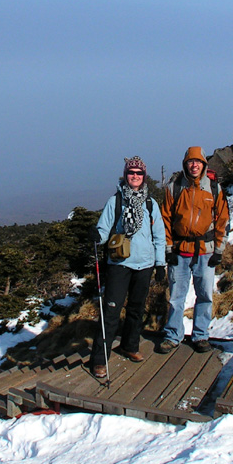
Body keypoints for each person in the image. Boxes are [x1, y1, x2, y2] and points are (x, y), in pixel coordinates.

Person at [88, 156, 167, 379]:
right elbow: (104, 229)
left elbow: (159, 236)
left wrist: (160, 264)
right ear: (125, 175)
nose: (135, 176)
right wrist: (97, 236)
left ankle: (129, 346)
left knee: (136, 308)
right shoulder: (116, 201)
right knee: (111, 311)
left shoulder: (151, 204)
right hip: (120, 263)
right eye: (131, 172)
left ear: (144, 176)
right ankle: (99, 360)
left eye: (139, 173)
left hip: (145, 263)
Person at [158, 146, 230, 354]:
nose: (194, 165)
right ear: (185, 164)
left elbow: (223, 220)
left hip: (205, 251)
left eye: (198, 162)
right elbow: (165, 220)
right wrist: (168, 249)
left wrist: (218, 249)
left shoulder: (214, 189)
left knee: (205, 295)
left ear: (204, 164)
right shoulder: (174, 188)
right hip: (180, 251)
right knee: (176, 297)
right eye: (191, 162)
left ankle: (200, 335)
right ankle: (173, 335)